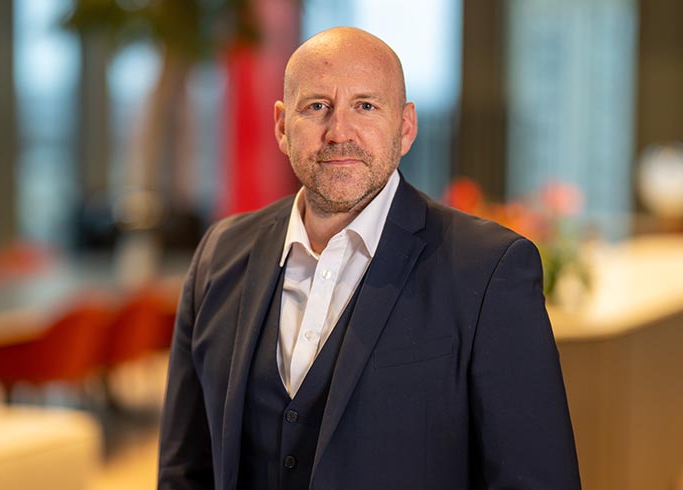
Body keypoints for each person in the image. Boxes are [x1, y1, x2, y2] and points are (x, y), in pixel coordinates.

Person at [159, 26, 581, 490]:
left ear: (405, 127)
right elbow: (185, 470)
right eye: (317, 106)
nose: (339, 132)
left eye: (365, 106)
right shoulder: (219, 255)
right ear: (282, 126)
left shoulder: (490, 270)